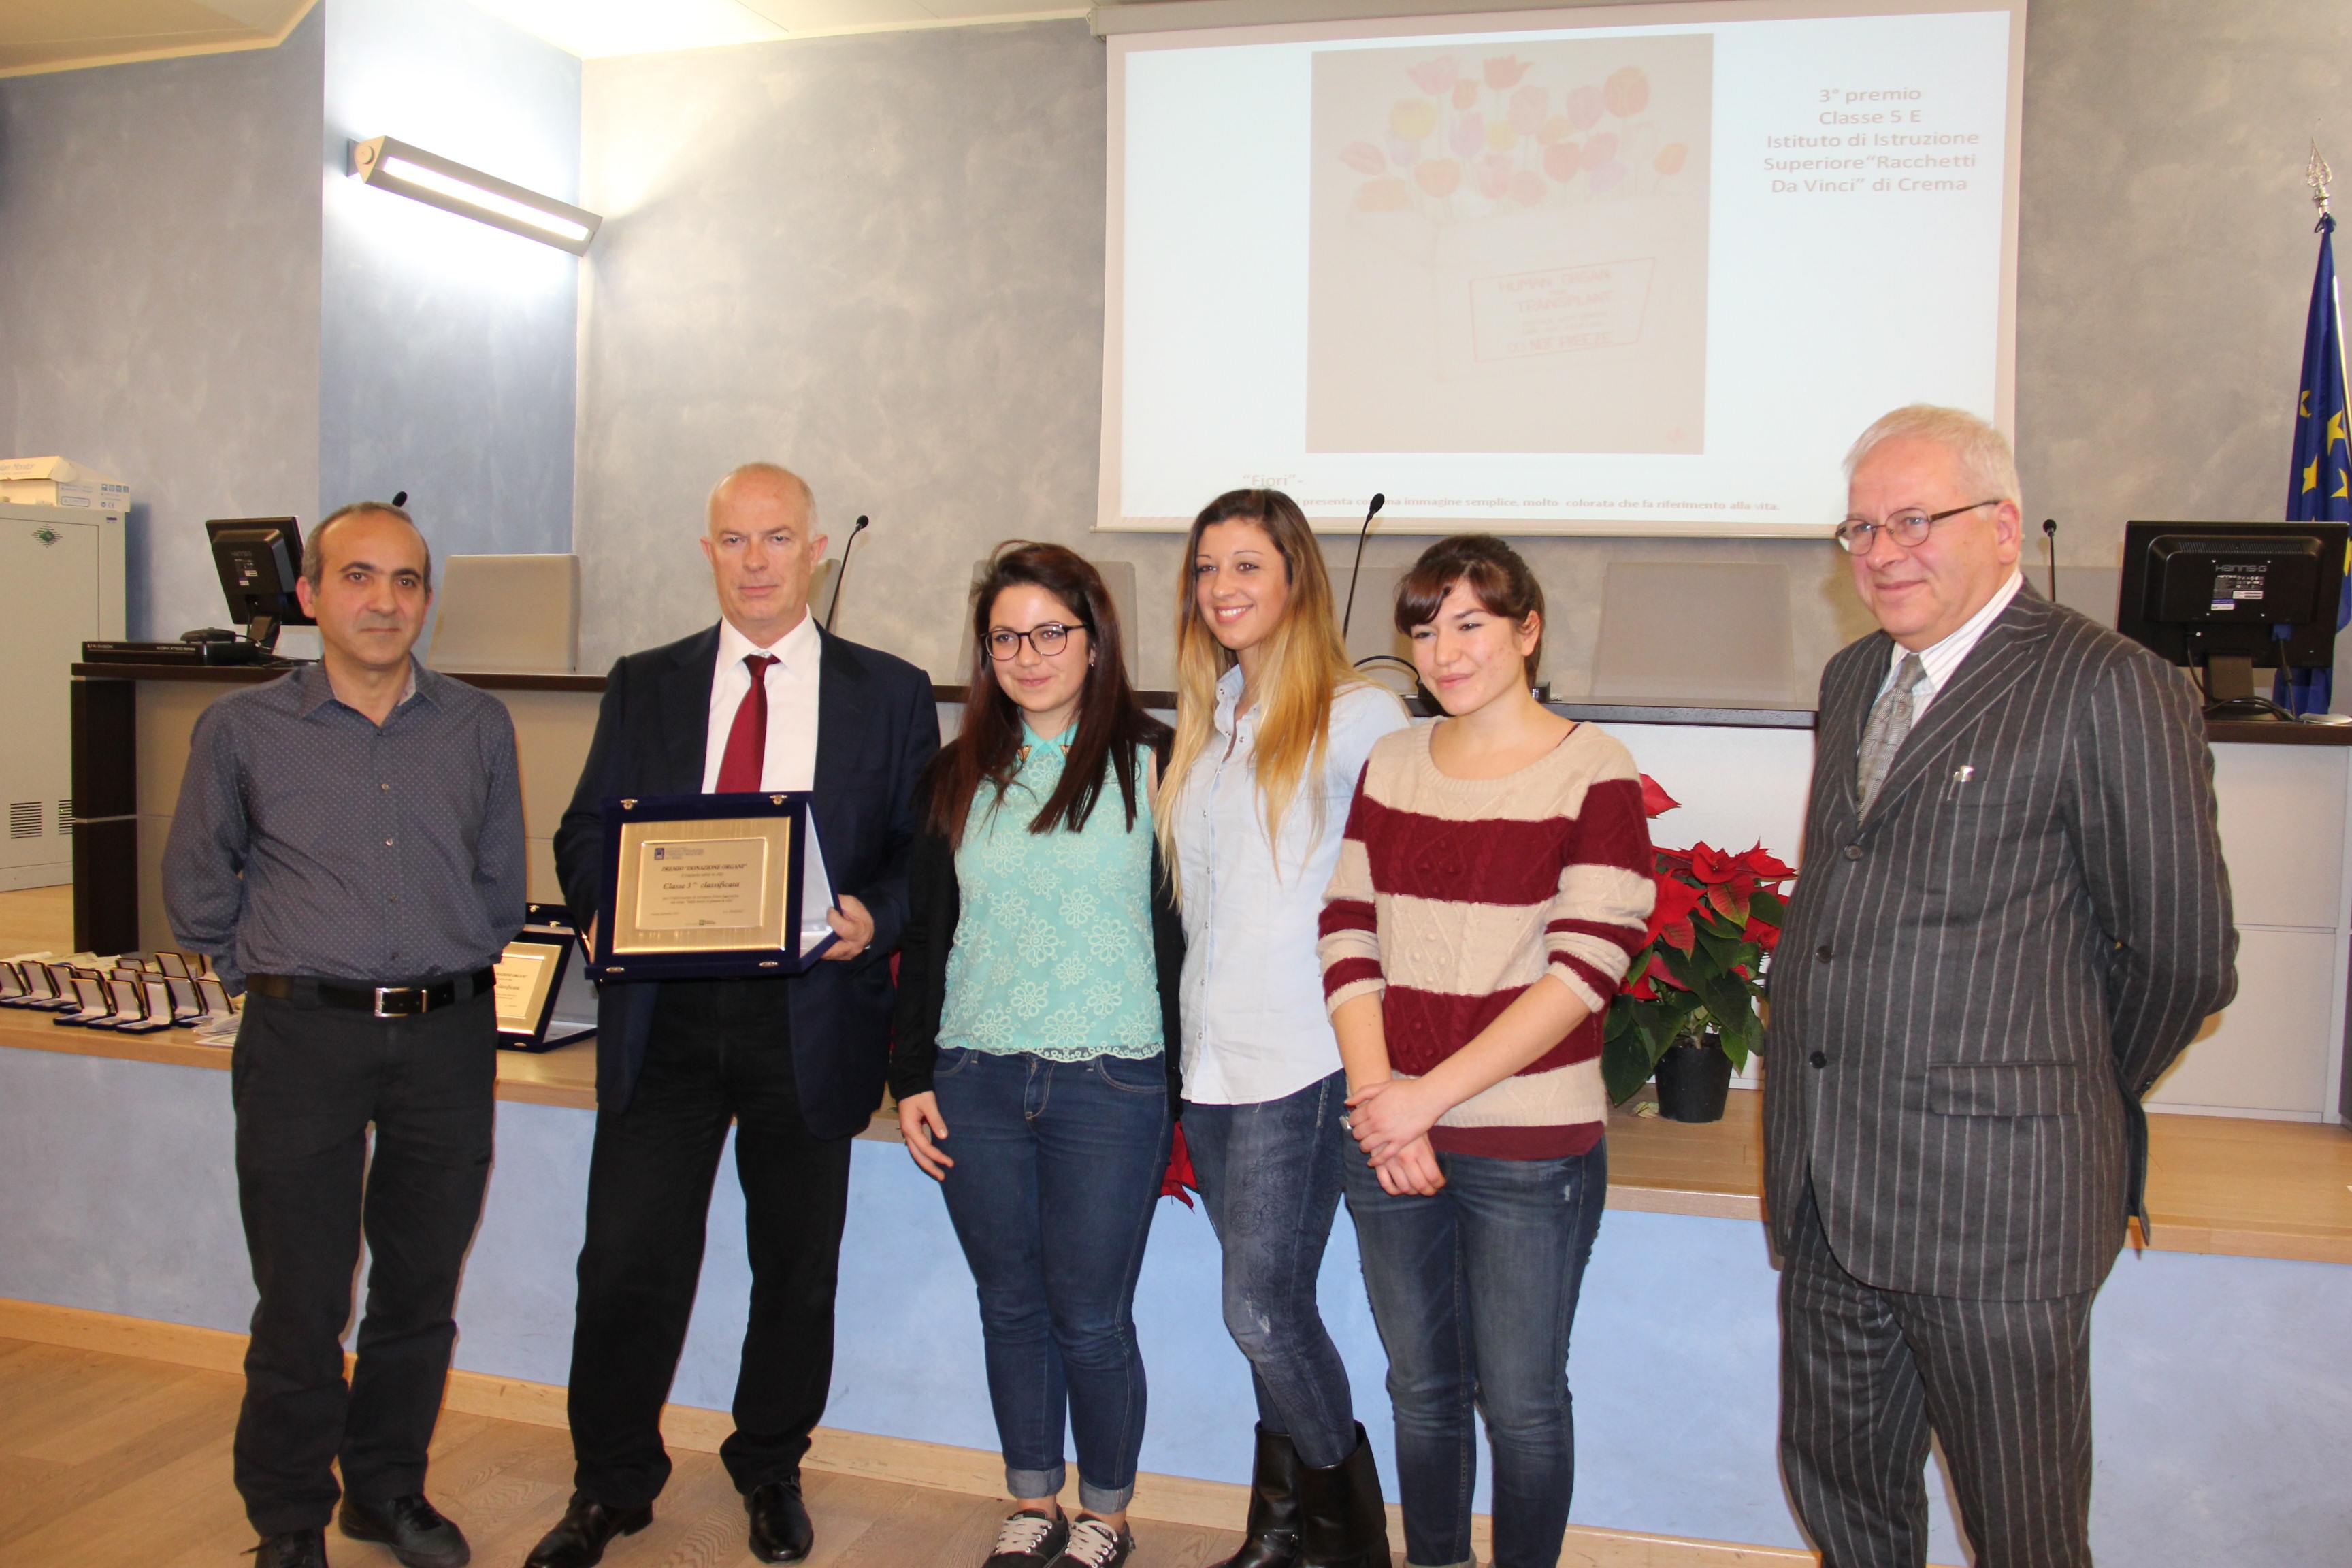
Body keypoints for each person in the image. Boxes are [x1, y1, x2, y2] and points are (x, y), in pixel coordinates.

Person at [1767, 405, 2238, 1567]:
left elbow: (2182, 954)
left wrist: (2063, 1083)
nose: (1883, 553)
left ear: (2004, 526)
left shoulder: (2108, 683)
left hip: (1999, 1208)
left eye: (1914, 521)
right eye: (1862, 528)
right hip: (1832, 1190)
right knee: (1848, 1505)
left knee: (2022, 1528)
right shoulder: (1856, 674)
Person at [523, 464, 936, 1568]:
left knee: (796, 1267)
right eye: (734, 540)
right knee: (626, 1262)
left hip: (810, 1017)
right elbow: (583, 831)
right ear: (707, 552)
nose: (756, 561)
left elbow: (920, 853)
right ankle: (612, 1484)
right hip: (663, 1021)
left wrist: (873, 918)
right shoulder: (644, 683)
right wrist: (604, 910)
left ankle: (769, 1464)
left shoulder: (889, 693)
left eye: (777, 538)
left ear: (817, 553)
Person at [164, 502, 528, 1568]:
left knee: (420, 1290)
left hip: (447, 1039)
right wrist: (268, 977)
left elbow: (499, 887)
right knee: (303, 1296)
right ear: (311, 596)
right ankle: (287, 1522)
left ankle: (385, 1491)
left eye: (407, 580)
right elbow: (197, 888)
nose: (384, 601)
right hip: (302, 1042)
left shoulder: (476, 725)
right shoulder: (242, 729)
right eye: (358, 577)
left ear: (428, 599)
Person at [1319, 534, 1654, 1568]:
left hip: (1529, 1149)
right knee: (1420, 1390)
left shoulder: (1594, 768)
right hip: (1391, 1134)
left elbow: (1584, 969)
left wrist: (1422, 1101)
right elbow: (1347, 930)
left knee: (1521, 1402)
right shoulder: (1394, 760)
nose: (1446, 652)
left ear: (1528, 630)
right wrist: (1382, 1100)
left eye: (1471, 624)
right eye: (1425, 631)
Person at [890, 543, 1184, 1568]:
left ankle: (1106, 1514)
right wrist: (911, 1075)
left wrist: (1187, 1089)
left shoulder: (1162, 766)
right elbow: (926, 936)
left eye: (1051, 632)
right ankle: (1032, 1501)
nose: (1029, 654)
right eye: (1006, 638)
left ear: (1096, 641)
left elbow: (1188, 936)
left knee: (1091, 1316)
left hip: (1113, 1080)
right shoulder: (957, 774)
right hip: (974, 1077)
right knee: (1008, 1304)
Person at [1156, 489, 1407, 1568]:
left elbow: (1395, 895)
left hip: (1302, 1057)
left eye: (1247, 565)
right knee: (1276, 1310)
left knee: (1259, 1310)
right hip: (1211, 1059)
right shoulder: (1211, 717)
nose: (1223, 587)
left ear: (1297, 577)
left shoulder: (1361, 717)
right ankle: (1283, 1532)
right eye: (1208, 567)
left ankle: (1349, 1545)